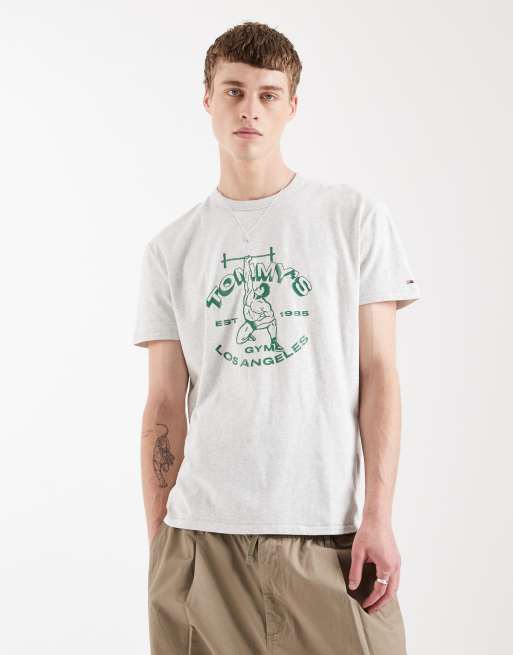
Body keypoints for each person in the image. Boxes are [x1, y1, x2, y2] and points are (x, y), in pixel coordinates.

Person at [133, 20, 421, 655]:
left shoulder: (353, 219)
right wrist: (162, 542)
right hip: (201, 541)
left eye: (268, 94)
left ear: (292, 106)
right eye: (233, 91)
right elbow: (163, 405)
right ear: (207, 99)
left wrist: (378, 515)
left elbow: (380, 373)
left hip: (328, 536)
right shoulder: (171, 249)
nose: (249, 110)